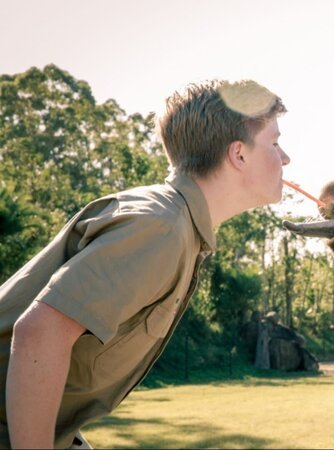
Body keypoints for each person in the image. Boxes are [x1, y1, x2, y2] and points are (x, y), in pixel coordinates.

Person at [0, 79, 290, 448]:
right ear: (239, 155)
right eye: (275, 143)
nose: (285, 158)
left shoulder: (175, 225)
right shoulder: (161, 228)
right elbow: (39, 334)